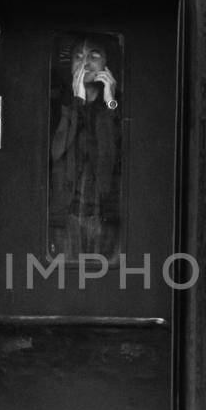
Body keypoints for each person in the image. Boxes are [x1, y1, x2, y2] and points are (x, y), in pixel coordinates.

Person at [49, 36, 122, 257]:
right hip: (66, 217)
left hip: (104, 216)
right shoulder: (56, 104)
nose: (85, 63)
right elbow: (56, 151)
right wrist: (76, 102)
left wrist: (111, 104)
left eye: (94, 55)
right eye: (78, 57)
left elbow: (112, 155)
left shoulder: (118, 107)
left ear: (106, 63)